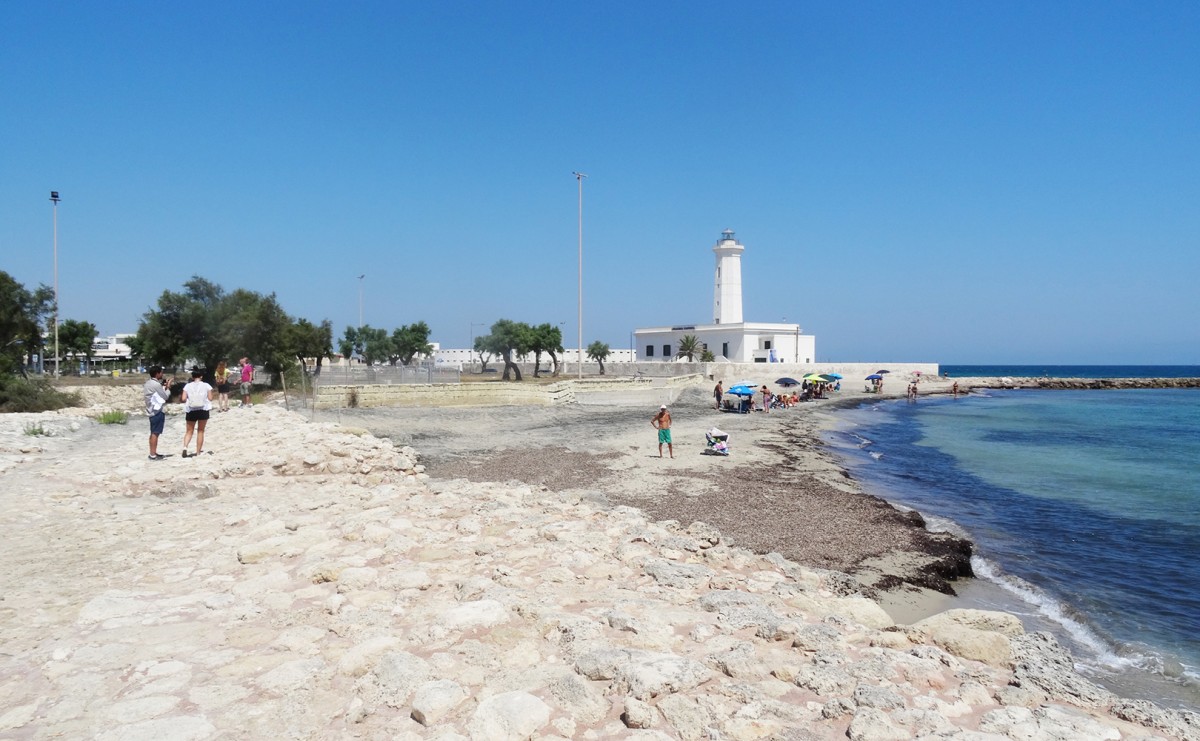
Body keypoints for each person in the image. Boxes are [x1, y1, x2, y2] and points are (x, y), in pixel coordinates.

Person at [181, 368, 214, 458]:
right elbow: (210, 398)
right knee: (200, 431)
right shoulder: (207, 385)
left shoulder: (187, 386)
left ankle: (185, 447)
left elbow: (183, 399)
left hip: (191, 410)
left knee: (189, 431)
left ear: (192, 377)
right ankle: (198, 452)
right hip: (203, 409)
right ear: (201, 376)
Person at [143, 365, 170, 460]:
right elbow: (165, 397)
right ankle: (153, 455)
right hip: (157, 411)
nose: (162, 374)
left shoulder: (147, 383)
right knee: (155, 433)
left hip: (151, 410)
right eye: (161, 372)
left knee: (153, 432)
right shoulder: (156, 384)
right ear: (157, 373)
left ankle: (153, 452)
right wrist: (168, 388)